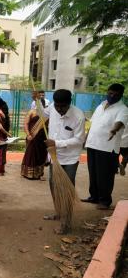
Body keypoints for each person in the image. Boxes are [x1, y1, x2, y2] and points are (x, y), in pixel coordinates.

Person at [42, 89, 85, 234]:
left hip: (69, 159)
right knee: (54, 186)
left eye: (63, 107)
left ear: (69, 103)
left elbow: (79, 140)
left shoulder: (78, 116)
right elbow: (43, 114)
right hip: (54, 157)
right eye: (57, 106)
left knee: (66, 189)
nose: (59, 110)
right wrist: (37, 102)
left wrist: (56, 143)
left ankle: (66, 223)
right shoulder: (52, 108)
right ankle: (59, 213)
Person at [83, 83, 128, 209]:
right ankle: (94, 197)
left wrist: (114, 130)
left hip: (108, 147)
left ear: (121, 95)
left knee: (105, 175)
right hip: (93, 144)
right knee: (93, 173)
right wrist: (87, 136)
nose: (112, 96)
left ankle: (105, 201)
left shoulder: (123, 109)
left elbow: (119, 122)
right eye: (110, 93)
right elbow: (93, 123)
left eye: (116, 94)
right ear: (107, 92)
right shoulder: (100, 105)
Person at [21, 97, 48, 180]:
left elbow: (48, 125)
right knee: (31, 154)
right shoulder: (31, 112)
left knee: (41, 155)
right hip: (32, 137)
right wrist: (28, 134)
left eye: (41, 104)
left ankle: (39, 173)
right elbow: (26, 124)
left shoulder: (46, 115)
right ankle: (28, 174)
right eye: (38, 103)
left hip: (42, 139)